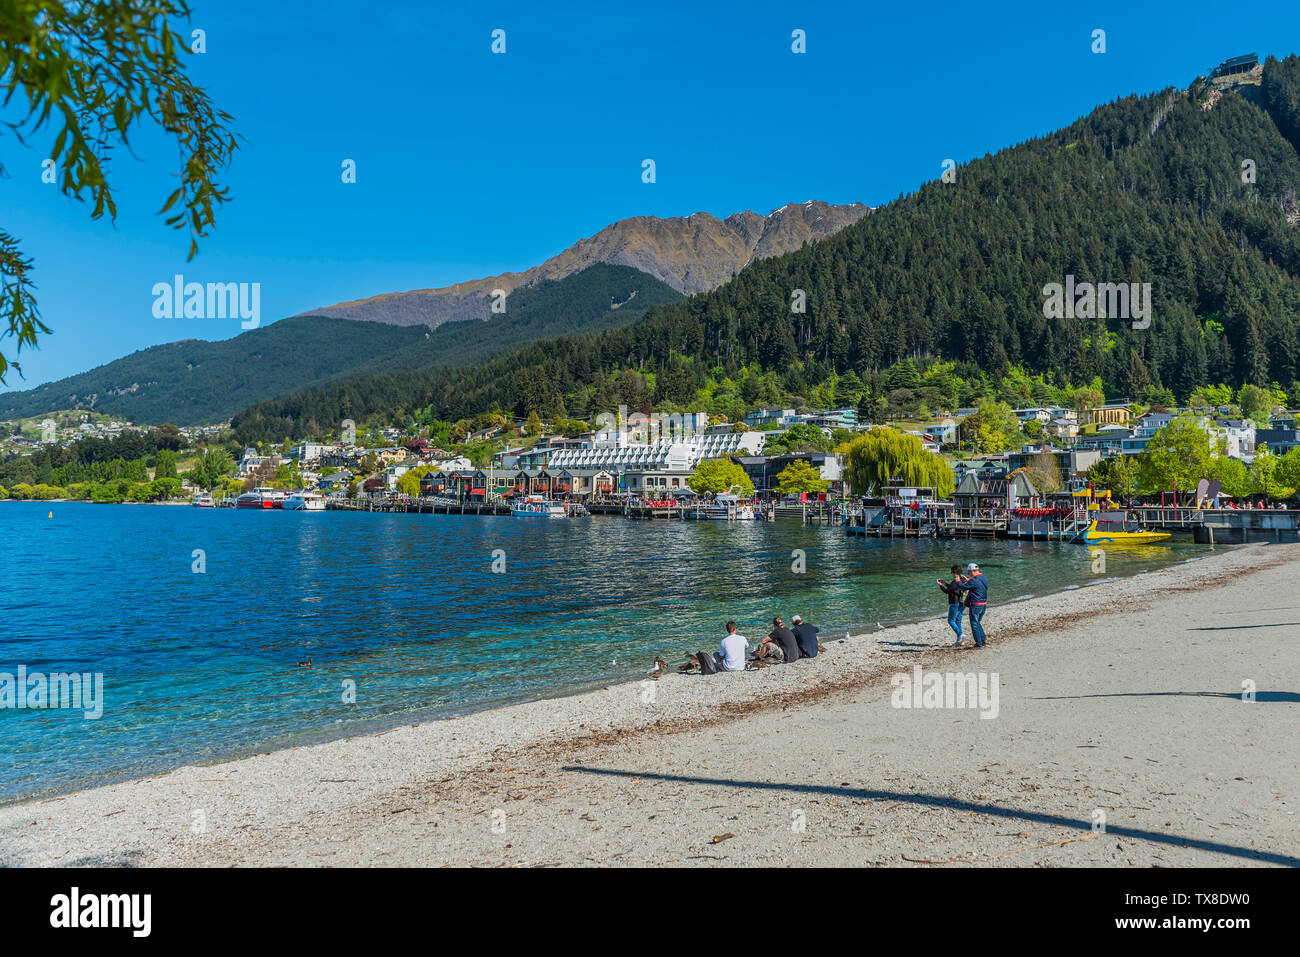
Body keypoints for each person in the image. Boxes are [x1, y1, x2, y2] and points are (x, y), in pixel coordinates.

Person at [954, 562, 988, 648]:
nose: (968, 573)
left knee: (974, 624)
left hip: (976, 605)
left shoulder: (974, 580)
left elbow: (962, 587)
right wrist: (968, 580)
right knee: (977, 622)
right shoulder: (983, 577)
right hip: (983, 604)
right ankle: (983, 638)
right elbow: (978, 584)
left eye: (969, 572)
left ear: (973, 571)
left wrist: (958, 580)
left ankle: (978, 643)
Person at [936, 564, 967, 646]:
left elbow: (947, 591)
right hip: (962, 603)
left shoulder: (955, 582)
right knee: (958, 620)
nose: (952, 574)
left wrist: (940, 586)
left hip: (954, 603)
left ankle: (960, 634)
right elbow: (952, 588)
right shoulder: (963, 580)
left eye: (952, 572)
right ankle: (960, 640)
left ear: (955, 573)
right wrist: (944, 583)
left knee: (951, 620)